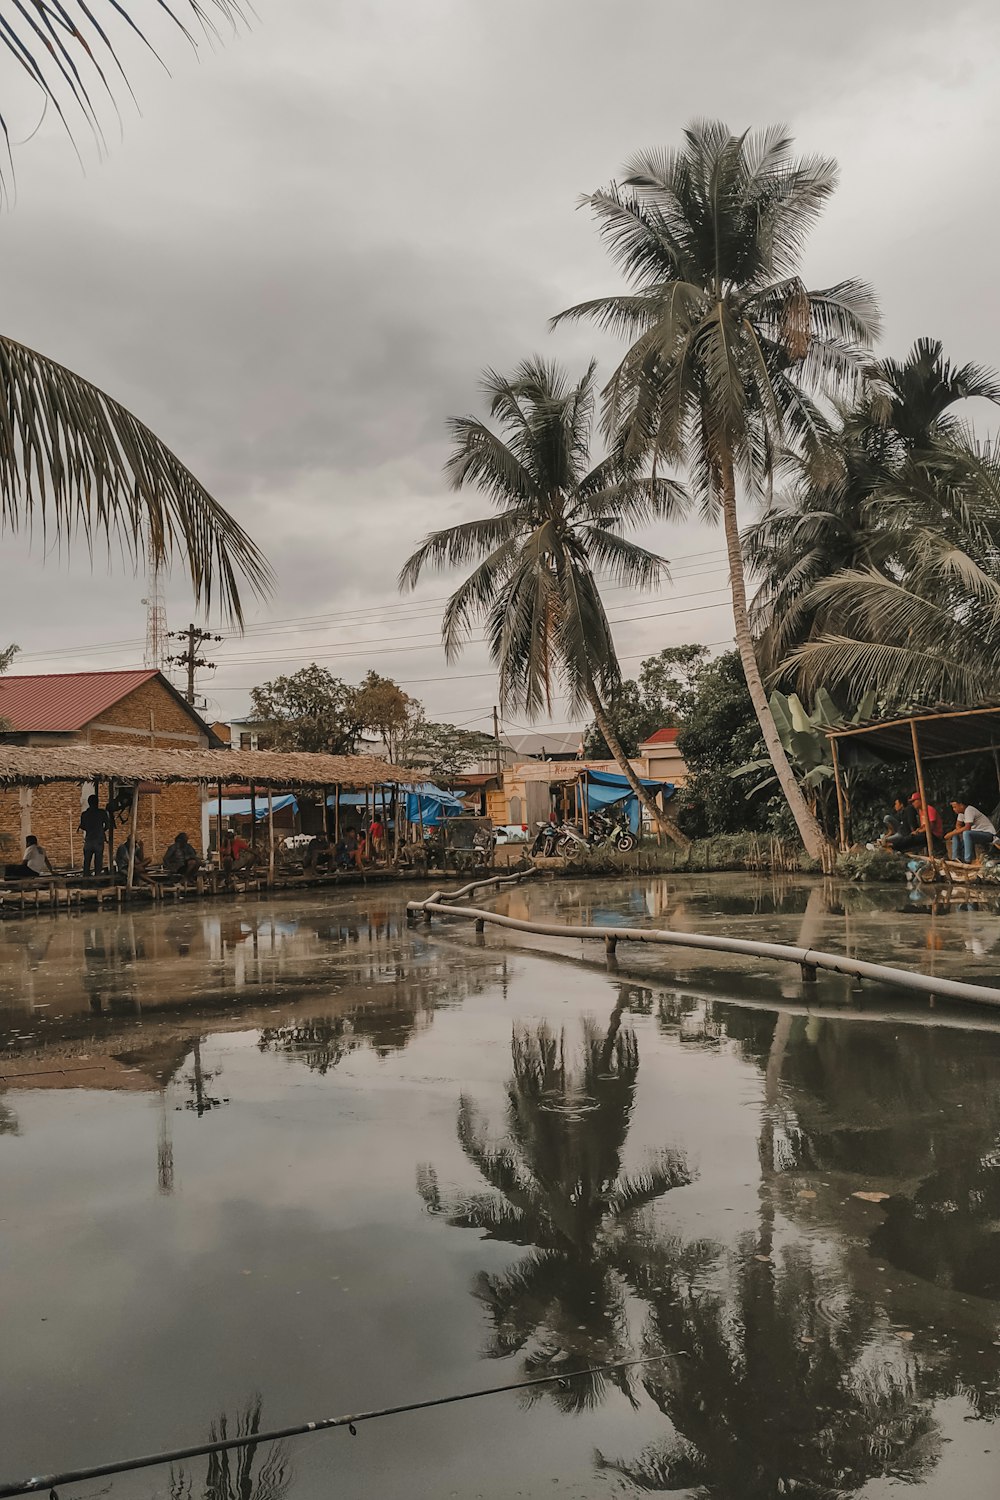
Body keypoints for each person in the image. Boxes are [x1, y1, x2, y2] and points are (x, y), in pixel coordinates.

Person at [946, 797, 996, 863]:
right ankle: (956, 857)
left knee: (966, 833)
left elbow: (967, 827)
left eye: (955, 807)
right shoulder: (961, 813)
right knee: (956, 834)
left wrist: (951, 833)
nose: (954, 809)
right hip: (975, 833)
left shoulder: (969, 810)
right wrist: (956, 832)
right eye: (953, 807)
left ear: (961, 805)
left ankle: (968, 860)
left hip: (988, 834)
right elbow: (958, 825)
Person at [79, 793, 110, 876]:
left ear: (89, 803)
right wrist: (100, 830)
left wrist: (90, 829)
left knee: (87, 862)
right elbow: (107, 825)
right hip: (98, 841)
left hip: (89, 840)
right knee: (98, 862)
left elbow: (82, 826)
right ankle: (97, 880)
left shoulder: (84, 814)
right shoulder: (102, 813)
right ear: (97, 802)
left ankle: (85, 881)